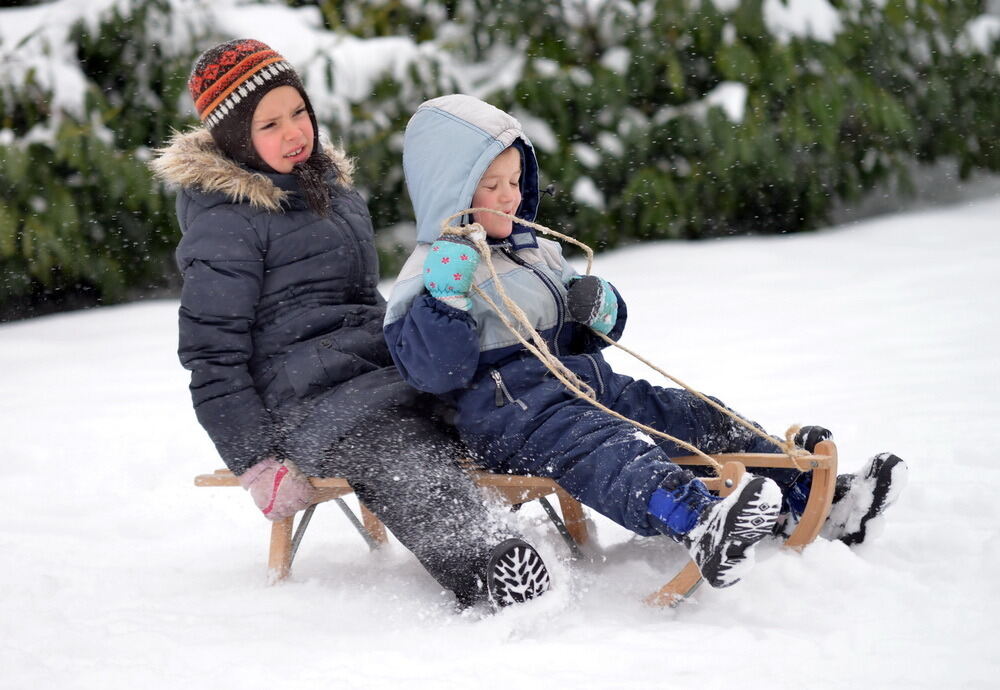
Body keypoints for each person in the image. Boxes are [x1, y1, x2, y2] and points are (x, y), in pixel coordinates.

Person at [384, 94, 909, 589]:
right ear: (448, 191)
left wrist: (599, 310)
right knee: (612, 451)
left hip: (587, 386)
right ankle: (701, 522)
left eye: (516, 181)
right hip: (512, 417)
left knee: (689, 414)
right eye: (491, 184)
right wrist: (443, 299)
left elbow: (579, 338)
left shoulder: (535, 251)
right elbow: (435, 373)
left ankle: (811, 494)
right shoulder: (426, 276)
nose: (510, 196)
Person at [149, 42, 550, 610]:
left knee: (493, 396)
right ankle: (484, 560)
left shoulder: (333, 195)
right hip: (303, 404)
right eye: (269, 124)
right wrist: (255, 458)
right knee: (397, 451)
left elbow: (360, 300)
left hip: (376, 367)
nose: (294, 132)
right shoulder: (225, 226)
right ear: (236, 138)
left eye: (299, 113)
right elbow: (211, 354)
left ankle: (639, 476)